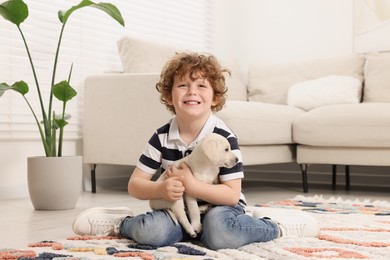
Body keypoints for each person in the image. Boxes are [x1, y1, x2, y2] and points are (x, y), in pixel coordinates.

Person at [72, 52, 319, 250]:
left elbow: (232, 196)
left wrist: (190, 185)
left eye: (201, 85)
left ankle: (275, 226)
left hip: (220, 209)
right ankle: (121, 224)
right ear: (169, 96)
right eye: (183, 85)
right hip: (176, 210)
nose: (192, 91)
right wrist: (159, 189)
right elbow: (135, 185)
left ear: (214, 98)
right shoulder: (161, 137)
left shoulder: (224, 137)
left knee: (220, 235)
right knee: (153, 232)